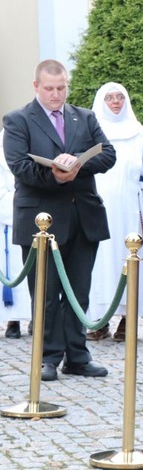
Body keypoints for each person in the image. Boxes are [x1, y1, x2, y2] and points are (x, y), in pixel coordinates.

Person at [3, 59, 116, 381]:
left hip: (83, 216)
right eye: (50, 88)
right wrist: (56, 176)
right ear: (36, 86)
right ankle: (48, 357)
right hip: (42, 220)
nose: (56, 94)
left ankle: (77, 356)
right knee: (46, 293)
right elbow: (20, 167)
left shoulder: (85, 117)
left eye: (61, 88)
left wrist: (79, 167)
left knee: (79, 292)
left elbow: (107, 154)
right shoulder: (18, 120)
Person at [85, 82, 143, 342]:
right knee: (100, 266)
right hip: (98, 210)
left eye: (120, 97)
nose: (115, 102)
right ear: (101, 102)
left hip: (132, 211)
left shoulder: (141, 135)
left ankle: (127, 320)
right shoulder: (91, 134)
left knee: (129, 261)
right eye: (109, 98)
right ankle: (98, 321)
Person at [0, 129, 32, 339]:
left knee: (33, 270)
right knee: (10, 270)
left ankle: (36, 317)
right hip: (5, 216)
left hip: (31, 212)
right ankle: (12, 319)